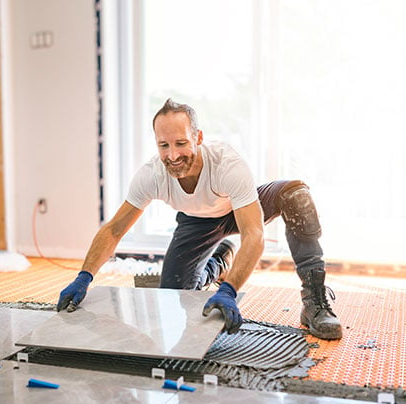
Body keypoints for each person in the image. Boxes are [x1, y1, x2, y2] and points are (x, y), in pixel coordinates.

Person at [57, 98, 342, 340]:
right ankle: (218, 263)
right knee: (174, 298)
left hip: (239, 209)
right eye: (164, 145)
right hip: (196, 223)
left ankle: (314, 300)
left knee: (296, 195)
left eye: (181, 143)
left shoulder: (227, 165)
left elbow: (253, 235)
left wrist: (230, 291)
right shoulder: (151, 175)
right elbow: (113, 231)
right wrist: (84, 277)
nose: (173, 155)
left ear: (198, 138)